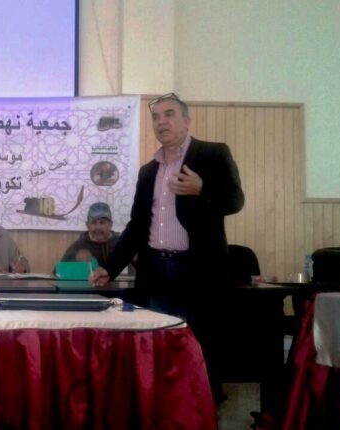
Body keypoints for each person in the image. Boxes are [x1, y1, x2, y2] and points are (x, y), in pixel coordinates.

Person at [90, 92, 244, 400]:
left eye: (169, 114)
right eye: (156, 117)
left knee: (198, 348)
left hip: (198, 271)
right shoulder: (149, 171)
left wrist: (203, 189)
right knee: (156, 347)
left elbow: (235, 201)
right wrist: (110, 267)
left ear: (187, 121)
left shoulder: (212, 154)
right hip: (155, 272)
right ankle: (158, 408)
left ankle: (201, 409)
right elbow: (137, 225)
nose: (162, 122)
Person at [59, 202, 132, 274]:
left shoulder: (122, 244)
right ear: (87, 225)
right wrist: (77, 264)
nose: (98, 227)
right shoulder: (77, 247)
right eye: (94, 222)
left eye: (102, 222)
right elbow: (59, 273)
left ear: (111, 224)